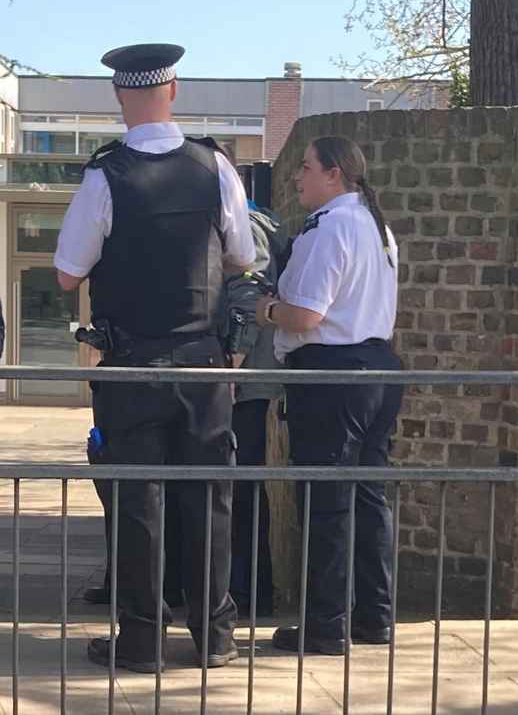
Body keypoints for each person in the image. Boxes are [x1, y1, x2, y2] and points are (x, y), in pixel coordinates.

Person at [54, 43, 255, 672]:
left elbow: (65, 273)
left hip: (130, 366)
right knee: (210, 499)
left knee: (137, 501)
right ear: (175, 91)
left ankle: (142, 639)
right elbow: (243, 254)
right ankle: (214, 635)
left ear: (120, 97)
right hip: (203, 363)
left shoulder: (103, 174)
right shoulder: (215, 166)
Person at [256, 135, 402, 653]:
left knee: (326, 502)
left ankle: (325, 626)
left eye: (306, 167)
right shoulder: (377, 226)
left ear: (334, 173)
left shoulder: (331, 228)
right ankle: (373, 616)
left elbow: (307, 315)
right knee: (367, 498)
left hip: (333, 375)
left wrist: (267, 311)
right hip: (378, 368)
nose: (297, 177)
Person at [226, 205, 288, 617]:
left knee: (241, 484)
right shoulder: (248, 221)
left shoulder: (245, 225)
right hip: (247, 378)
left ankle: (251, 591)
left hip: (244, 381)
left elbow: (251, 293)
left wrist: (233, 362)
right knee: (241, 483)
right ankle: (248, 589)